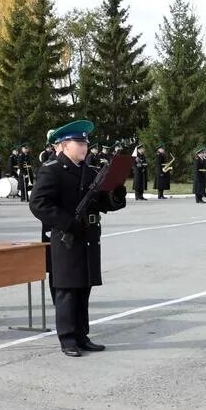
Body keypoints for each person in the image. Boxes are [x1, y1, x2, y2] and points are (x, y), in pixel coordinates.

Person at [29, 120, 127, 357]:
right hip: (66, 237)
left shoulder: (91, 170)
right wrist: (67, 223)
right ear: (63, 145)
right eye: (79, 142)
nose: (84, 147)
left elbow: (103, 203)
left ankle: (82, 335)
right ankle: (68, 338)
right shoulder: (51, 170)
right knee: (67, 289)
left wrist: (117, 194)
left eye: (85, 142)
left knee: (84, 287)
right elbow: (38, 204)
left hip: (89, 237)